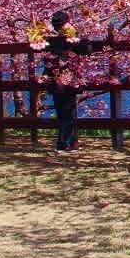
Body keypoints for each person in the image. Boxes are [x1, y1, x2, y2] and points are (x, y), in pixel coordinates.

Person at [43, 10, 97, 154]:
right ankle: (64, 143)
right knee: (67, 112)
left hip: (54, 79)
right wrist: (82, 40)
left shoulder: (49, 39)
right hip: (68, 80)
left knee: (63, 112)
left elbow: (46, 55)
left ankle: (70, 142)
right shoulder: (70, 39)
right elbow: (86, 48)